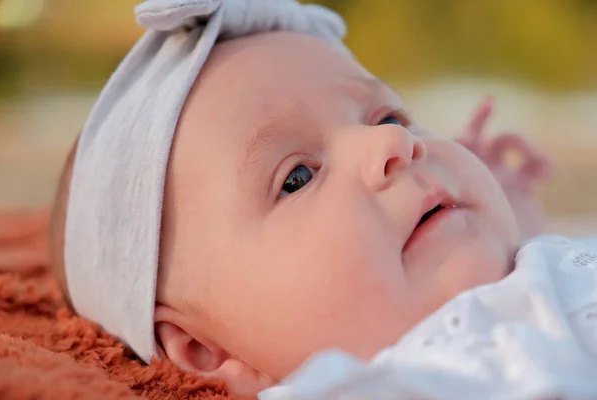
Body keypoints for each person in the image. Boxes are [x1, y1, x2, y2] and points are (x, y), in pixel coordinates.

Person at [50, 1, 597, 399]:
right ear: (202, 351)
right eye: (298, 178)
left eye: (388, 116)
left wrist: (507, 220)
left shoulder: (533, 265)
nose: (394, 143)